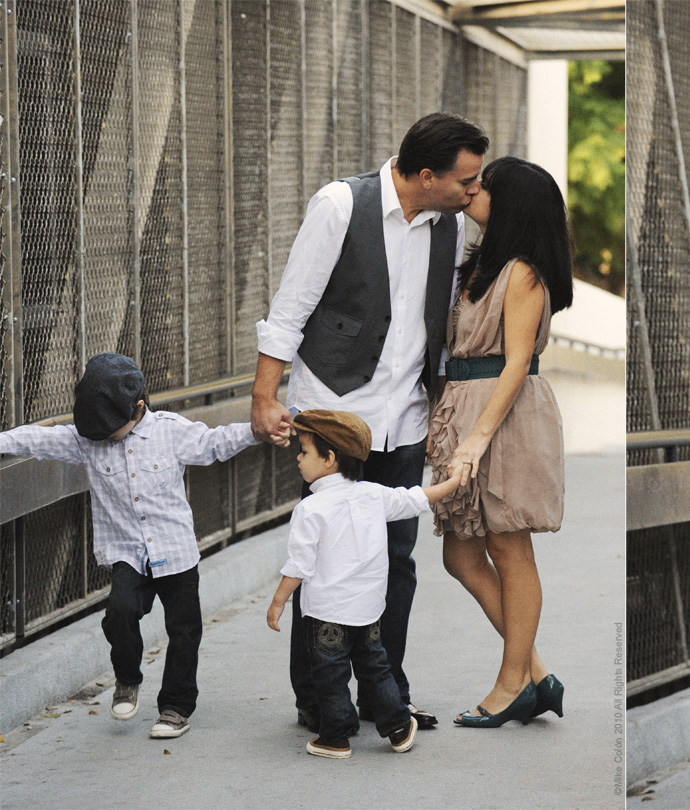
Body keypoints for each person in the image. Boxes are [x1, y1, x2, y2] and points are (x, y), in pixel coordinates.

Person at [252, 112, 489, 733]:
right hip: (333, 412)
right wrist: (264, 395)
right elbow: (291, 305)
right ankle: (317, 696)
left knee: (396, 560)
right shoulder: (339, 204)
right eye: (466, 179)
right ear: (428, 174)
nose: (473, 189)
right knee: (325, 557)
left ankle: (388, 694)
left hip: (403, 417)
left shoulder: (453, 223)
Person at [0, 353, 260, 739]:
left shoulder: (170, 431)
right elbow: (39, 439)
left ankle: (175, 708)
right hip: (126, 552)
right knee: (119, 612)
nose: (104, 437)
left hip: (176, 552)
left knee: (184, 630)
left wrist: (258, 430)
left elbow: (214, 443)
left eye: (111, 429)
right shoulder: (88, 440)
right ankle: (127, 677)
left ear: (139, 408)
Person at [428, 156, 574, 727]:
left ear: (509, 202)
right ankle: (536, 672)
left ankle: (513, 683)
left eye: (484, 185)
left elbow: (516, 363)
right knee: (460, 551)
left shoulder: (522, 272)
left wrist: (476, 441)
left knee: (510, 549)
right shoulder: (480, 264)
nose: (472, 190)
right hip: (463, 408)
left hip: (503, 418)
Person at [267, 409, 462, 759]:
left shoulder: (311, 509)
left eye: (304, 451)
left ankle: (336, 737)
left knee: (330, 674)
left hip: (327, 613)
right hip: (369, 610)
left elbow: (299, 564)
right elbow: (417, 499)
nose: (298, 458)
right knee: (375, 669)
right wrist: (453, 481)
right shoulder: (374, 495)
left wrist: (279, 601)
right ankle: (399, 727)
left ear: (329, 459)